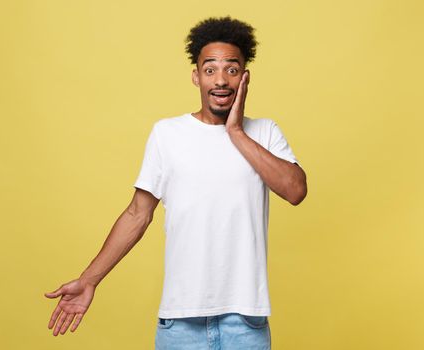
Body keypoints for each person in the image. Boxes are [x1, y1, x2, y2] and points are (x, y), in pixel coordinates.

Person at [45, 16, 307, 349]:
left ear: (245, 77)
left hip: (245, 322)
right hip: (180, 324)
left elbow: (296, 190)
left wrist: (236, 133)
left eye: (232, 69)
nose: (221, 80)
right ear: (196, 77)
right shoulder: (167, 135)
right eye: (210, 69)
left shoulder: (265, 133)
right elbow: (137, 215)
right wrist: (89, 280)